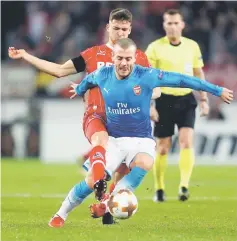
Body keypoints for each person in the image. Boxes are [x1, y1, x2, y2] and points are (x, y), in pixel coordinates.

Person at [8, 8, 160, 225]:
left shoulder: (139, 58)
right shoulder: (93, 54)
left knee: (121, 173)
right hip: (96, 117)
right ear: (108, 28)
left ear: (130, 30)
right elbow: (60, 71)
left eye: (124, 29)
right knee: (101, 141)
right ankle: (80, 200)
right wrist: (26, 56)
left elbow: (150, 88)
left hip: (125, 124)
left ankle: (105, 207)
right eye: (116, 28)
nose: (120, 33)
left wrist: (150, 106)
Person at [63, 38, 232, 224]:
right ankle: (63, 214)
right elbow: (88, 80)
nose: (125, 63)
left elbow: (184, 80)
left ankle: (107, 206)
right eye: (120, 58)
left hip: (139, 141)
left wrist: (216, 90)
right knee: (92, 181)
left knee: (137, 167)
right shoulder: (103, 74)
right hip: (115, 141)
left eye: (129, 58)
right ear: (113, 57)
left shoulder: (147, 75)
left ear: (134, 58)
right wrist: (79, 89)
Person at [145, 9, 210, 202]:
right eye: (168, 23)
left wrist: (204, 99)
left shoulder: (192, 47)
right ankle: (159, 189)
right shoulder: (155, 48)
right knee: (163, 147)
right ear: (164, 25)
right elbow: (148, 79)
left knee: (186, 141)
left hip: (186, 99)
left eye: (175, 23)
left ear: (182, 25)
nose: (172, 27)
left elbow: (199, 75)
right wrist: (150, 105)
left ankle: (184, 186)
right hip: (163, 100)